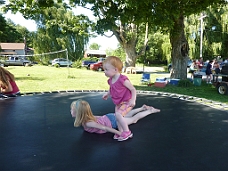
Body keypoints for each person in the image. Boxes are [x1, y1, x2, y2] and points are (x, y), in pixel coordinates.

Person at [71, 100, 160, 141]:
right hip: (109, 117)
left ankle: (150, 111)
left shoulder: (89, 123)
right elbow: (98, 117)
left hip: (113, 122)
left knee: (133, 120)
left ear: (79, 113)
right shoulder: (87, 117)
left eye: (72, 110)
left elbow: (105, 128)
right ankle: (142, 108)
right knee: (126, 115)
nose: (70, 111)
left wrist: (120, 133)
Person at [102, 56, 137, 141]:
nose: (104, 72)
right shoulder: (110, 80)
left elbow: (133, 89)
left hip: (127, 102)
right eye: (104, 69)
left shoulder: (123, 79)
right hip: (118, 103)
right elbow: (111, 88)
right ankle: (120, 132)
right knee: (117, 117)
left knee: (118, 115)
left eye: (106, 69)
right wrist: (107, 94)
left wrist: (133, 100)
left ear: (115, 69)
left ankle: (127, 132)